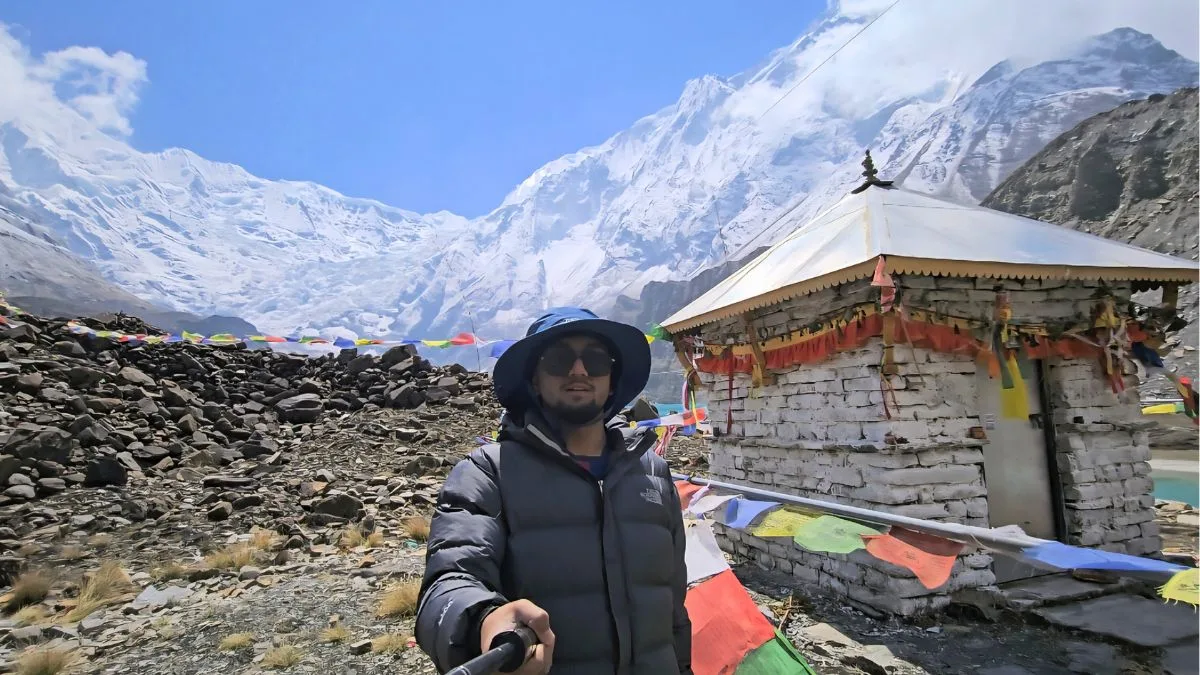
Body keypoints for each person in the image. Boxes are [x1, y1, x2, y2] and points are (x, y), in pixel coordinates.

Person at [415, 307, 693, 675]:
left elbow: (673, 607)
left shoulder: (654, 474)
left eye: (595, 360)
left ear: (612, 379)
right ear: (534, 379)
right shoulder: (488, 473)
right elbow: (447, 584)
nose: (579, 371)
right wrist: (484, 622)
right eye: (560, 359)